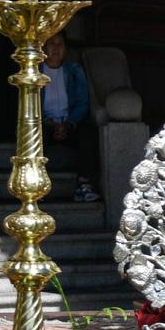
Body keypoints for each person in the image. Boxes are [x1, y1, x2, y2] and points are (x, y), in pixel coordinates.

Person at [40, 31, 99, 203]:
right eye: (52, 44)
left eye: (60, 44)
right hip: (44, 123)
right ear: (43, 47)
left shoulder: (74, 71)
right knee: (33, 136)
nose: (56, 49)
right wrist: (48, 123)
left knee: (88, 134)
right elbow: (31, 102)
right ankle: (36, 186)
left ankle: (84, 185)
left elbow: (82, 102)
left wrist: (68, 123)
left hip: (69, 122)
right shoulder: (36, 72)